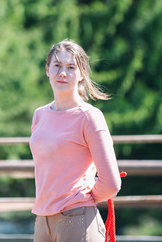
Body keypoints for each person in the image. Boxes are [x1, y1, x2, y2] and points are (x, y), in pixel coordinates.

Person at [30, 39, 121, 242]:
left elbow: (112, 183)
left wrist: (81, 199)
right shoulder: (39, 115)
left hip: (78, 220)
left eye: (71, 67)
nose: (63, 72)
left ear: (81, 75)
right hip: (42, 220)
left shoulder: (89, 117)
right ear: (47, 70)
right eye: (57, 65)